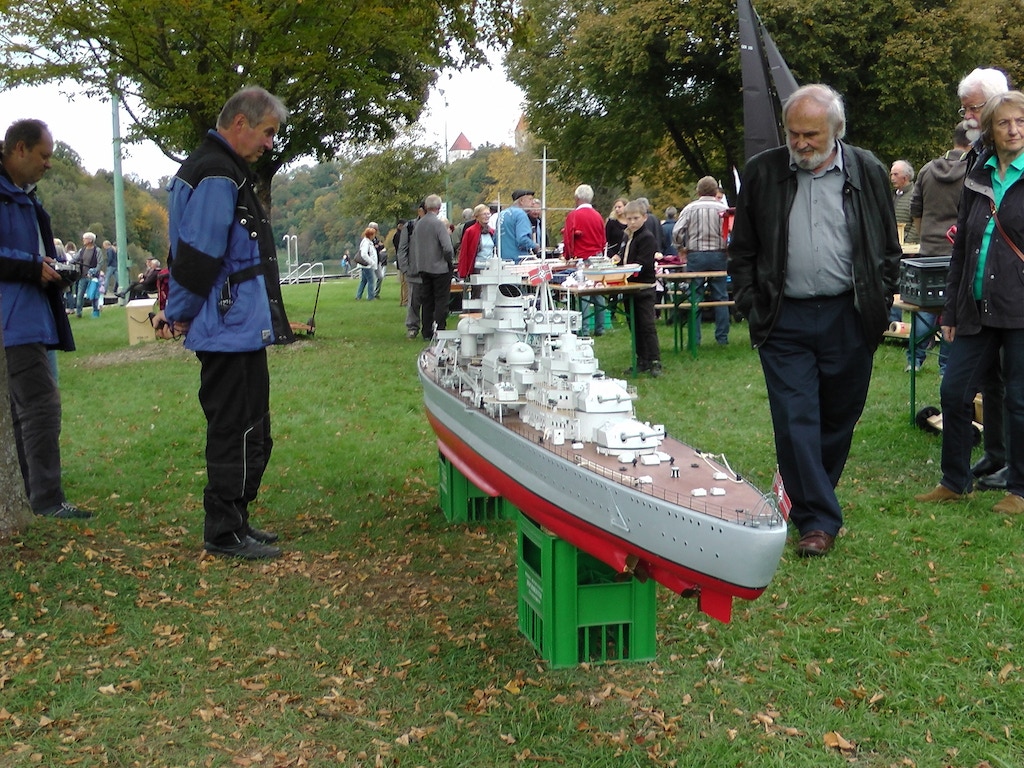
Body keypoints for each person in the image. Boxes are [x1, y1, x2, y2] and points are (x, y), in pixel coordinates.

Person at [728, 84, 901, 557]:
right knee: (795, 418)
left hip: (850, 313)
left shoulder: (867, 170)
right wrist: (750, 301)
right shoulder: (763, 172)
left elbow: (887, 247)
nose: (801, 143)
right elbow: (742, 249)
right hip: (784, 316)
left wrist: (880, 300)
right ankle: (818, 522)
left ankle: (803, 495)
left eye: (812, 134)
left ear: (836, 130)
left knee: (839, 417)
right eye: (794, 134)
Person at [153, 86, 294, 559]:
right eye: (267, 132)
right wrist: (178, 313)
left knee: (253, 426)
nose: (270, 142)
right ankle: (224, 531)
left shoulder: (221, 170)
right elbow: (198, 255)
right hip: (226, 326)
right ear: (239, 124)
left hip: (237, 325)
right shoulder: (216, 173)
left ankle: (237, 519)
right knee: (235, 428)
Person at [915, 91, 1024, 513]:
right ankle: (955, 481)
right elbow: (961, 248)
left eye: (1020, 122)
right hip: (976, 307)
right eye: (1004, 122)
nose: (1013, 130)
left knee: (1019, 400)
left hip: (1019, 308)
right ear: (990, 130)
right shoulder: (978, 174)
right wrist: (951, 309)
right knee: (954, 391)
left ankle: (1019, 489)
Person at [0, 118, 91, 518]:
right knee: (40, 407)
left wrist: (52, 268)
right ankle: (47, 499)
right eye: (44, 155)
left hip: (29, 315)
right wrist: (31, 266)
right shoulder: (7, 195)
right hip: (13, 320)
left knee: (28, 408)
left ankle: (31, 492)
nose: (49, 164)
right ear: (20, 149)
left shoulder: (23, 195)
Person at [957, 67, 1012, 491]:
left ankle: (1015, 463)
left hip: (1014, 290)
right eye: (964, 109)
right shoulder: (979, 154)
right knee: (992, 380)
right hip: (983, 288)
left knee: (1016, 383)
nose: (967, 117)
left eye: (973, 108)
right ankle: (997, 453)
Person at [905, 123, 971, 373]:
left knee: (925, 307)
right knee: (952, 310)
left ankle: (914, 360)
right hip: (957, 250)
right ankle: (946, 366)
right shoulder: (973, 170)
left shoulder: (927, 169)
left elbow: (915, 208)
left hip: (929, 249)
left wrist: (925, 235)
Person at [673, 175, 730, 345]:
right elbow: (733, 230)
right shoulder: (723, 209)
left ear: (698, 191)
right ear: (715, 191)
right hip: (719, 254)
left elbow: (677, 231)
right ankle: (722, 338)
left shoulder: (690, 209)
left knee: (694, 296)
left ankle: (695, 339)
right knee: (721, 297)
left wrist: (680, 248)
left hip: (696, 255)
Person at [620, 199, 662, 377]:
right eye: (629, 219)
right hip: (629, 287)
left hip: (644, 287)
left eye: (635, 218)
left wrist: (627, 270)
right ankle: (642, 359)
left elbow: (643, 263)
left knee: (647, 324)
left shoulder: (646, 237)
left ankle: (655, 360)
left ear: (644, 217)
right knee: (634, 325)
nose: (632, 222)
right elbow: (623, 257)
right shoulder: (627, 236)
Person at [562, 184, 608, 336]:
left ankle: (585, 329)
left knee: (584, 295)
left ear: (577, 198)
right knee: (598, 292)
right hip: (598, 258)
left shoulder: (573, 216)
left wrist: (567, 256)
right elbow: (603, 239)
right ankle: (600, 328)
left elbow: (568, 239)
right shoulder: (598, 216)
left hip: (582, 259)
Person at [410, 193, 454, 340]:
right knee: (441, 299)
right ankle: (440, 327)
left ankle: (426, 331)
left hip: (423, 267)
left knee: (427, 300)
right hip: (440, 268)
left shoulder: (418, 224)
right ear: (439, 207)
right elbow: (447, 247)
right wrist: (449, 261)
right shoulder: (438, 224)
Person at [398, 201, 426, 339]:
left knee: (430, 302)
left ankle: (429, 328)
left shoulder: (436, 225)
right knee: (413, 301)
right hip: (414, 272)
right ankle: (412, 327)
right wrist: (405, 268)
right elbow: (402, 249)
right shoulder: (409, 227)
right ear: (420, 211)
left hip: (431, 271)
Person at [456, 203, 495, 279]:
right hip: (477, 268)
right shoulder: (470, 231)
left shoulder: (492, 232)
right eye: (484, 214)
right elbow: (464, 252)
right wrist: (463, 272)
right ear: (477, 216)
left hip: (491, 267)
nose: (487, 216)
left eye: (488, 214)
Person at [496, 189, 536, 260]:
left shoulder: (502, 214)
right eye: (530, 199)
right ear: (521, 201)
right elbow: (522, 239)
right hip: (518, 259)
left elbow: (495, 238)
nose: (533, 203)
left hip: (502, 260)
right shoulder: (520, 214)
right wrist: (535, 246)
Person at [73, 231, 102, 317]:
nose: (83, 240)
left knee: (93, 295)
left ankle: (95, 311)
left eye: (85, 239)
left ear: (90, 240)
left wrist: (94, 271)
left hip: (93, 278)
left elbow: (100, 263)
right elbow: (75, 259)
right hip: (82, 276)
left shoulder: (97, 251)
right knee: (79, 295)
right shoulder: (82, 250)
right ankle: (78, 313)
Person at [890, 160, 918, 245]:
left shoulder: (915, 195)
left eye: (896, 174)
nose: (892, 178)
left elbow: (917, 222)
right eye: (891, 174)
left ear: (905, 177)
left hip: (907, 246)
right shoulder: (892, 195)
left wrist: (908, 243)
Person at [354, 225, 378, 300]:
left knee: (363, 281)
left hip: (365, 265)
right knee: (371, 280)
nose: (374, 236)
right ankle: (371, 297)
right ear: (370, 235)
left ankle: (358, 296)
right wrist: (371, 262)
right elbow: (364, 254)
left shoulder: (367, 242)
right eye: (373, 234)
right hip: (367, 265)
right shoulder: (366, 243)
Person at [605, 196, 628, 261]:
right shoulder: (611, 222)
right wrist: (612, 254)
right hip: (613, 256)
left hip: (627, 256)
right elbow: (605, 240)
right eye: (615, 207)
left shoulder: (630, 223)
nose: (617, 209)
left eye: (619, 207)